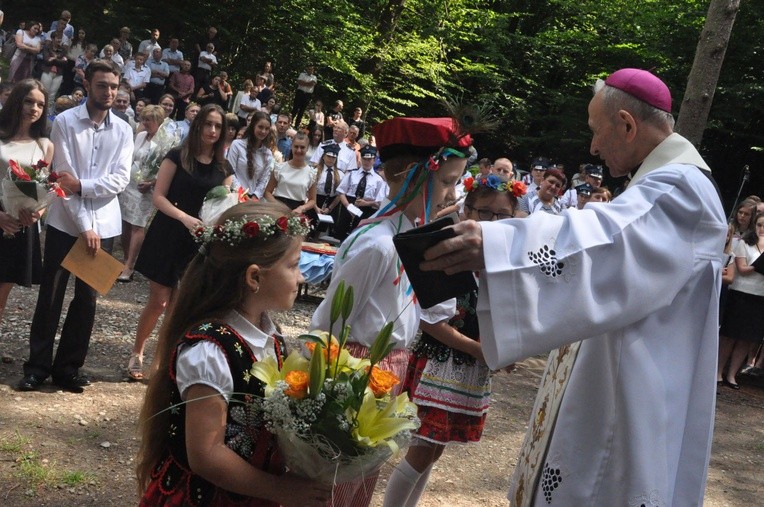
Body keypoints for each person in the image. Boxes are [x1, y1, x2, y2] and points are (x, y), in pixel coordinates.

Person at [420, 68, 727, 506]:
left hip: (635, 396)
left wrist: (497, 243)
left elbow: (607, 240)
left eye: (595, 131)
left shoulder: (682, 188)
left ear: (626, 124)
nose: (593, 147)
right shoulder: (662, 182)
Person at [312, 115, 472, 506]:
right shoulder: (378, 245)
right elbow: (328, 324)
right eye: (448, 182)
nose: (453, 194)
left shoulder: (407, 239)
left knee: (360, 482)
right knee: (337, 480)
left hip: (387, 371)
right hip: (356, 369)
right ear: (416, 176)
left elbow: (431, 312)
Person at [135, 201, 328, 505]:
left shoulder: (269, 335)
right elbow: (207, 455)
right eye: (293, 265)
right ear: (254, 277)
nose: (301, 277)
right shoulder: (210, 351)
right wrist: (282, 489)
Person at [384, 174, 524, 507]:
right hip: (441, 364)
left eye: (502, 215)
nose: (492, 221)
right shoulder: (449, 258)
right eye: (485, 213)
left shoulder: (500, 262)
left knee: (434, 452)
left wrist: (504, 348)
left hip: (470, 366)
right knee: (421, 451)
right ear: (467, 213)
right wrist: (482, 350)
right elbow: (432, 324)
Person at [17, 61, 134, 393]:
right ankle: (37, 366)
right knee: (50, 295)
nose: (108, 92)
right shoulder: (66, 122)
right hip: (65, 224)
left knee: (87, 299)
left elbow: (120, 180)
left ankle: (68, 368)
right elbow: (60, 180)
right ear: (87, 82)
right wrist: (85, 225)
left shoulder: (124, 130)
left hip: (106, 225)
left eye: (113, 86)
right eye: (102, 85)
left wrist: (83, 185)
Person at [128, 104, 232, 380]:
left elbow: (228, 204)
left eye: (218, 126)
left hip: (198, 243)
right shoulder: (177, 156)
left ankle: (161, 361)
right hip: (168, 233)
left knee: (177, 306)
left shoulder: (224, 167)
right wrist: (185, 218)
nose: (212, 130)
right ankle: (138, 351)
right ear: (198, 125)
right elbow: (158, 197)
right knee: (159, 301)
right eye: (208, 123)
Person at [0, 80, 54, 323]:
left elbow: (44, 189)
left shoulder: (45, 145)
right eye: (29, 101)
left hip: (19, 223)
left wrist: (36, 213)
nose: (34, 108)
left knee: (2, 291)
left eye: (40, 104)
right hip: (1, 216)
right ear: (16, 101)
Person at [117, 105, 166, 282]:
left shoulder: (164, 142)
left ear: (158, 121)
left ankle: (130, 265)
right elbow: (130, 158)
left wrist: (152, 182)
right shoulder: (140, 136)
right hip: (130, 183)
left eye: (148, 120)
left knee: (138, 225)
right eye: (143, 119)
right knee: (125, 222)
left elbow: (165, 168)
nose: (144, 123)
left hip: (147, 187)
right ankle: (125, 258)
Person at [717, 211, 764, 389]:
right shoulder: (745, 243)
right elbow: (742, 269)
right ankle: (718, 372)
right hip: (741, 294)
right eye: (759, 225)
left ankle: (732, 374)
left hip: (760, 297)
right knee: (729, 336)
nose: (762, 229)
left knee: (746, 339)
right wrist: (758, 265)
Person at [325, 144, 386, 241]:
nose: (367, 162)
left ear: (374, 160)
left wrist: (366, 203)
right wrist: (348, 206)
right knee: (342, 235)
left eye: (369, 159)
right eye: (364, 159)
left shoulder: (378, 180)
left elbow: (379, 201)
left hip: (366, 210)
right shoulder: (352, 174)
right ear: (361, 159)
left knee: (358, 237)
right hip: (349, 205)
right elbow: (341, 192)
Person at [263, 131, 317, 218]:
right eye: (296, 146)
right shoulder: (279, 168)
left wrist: (302, 208)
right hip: (277, 209)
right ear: (291, 146)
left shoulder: (311, 173)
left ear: (307, 149)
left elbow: (313, 200)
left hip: (296, 212)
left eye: (302, 147)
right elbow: (267, 192)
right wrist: (276, 205)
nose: (299, 150)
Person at [227, 111, 274, 199]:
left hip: (253, 199)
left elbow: (263, 180)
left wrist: (255, 197)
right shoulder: (237, 145)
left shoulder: (267, 154)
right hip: (234, 194)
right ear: (253, 126)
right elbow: (230, 172)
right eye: (260, 127)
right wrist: (242, 194)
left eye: (267, 128)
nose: (263, 131)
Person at [291, 64, 317, 128]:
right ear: (307, 69)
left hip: (308, 95)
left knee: (302, 110)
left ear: (313, 70)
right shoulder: (302, 74)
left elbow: (312, 84)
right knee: (295, 108)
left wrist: (304, 83)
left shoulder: (314, 77)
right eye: (309, 69)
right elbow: (300, 82)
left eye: (311, 69)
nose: (310, 70)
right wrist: (307, 83)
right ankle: (290, 121)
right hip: (300, 93)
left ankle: (296, 125)